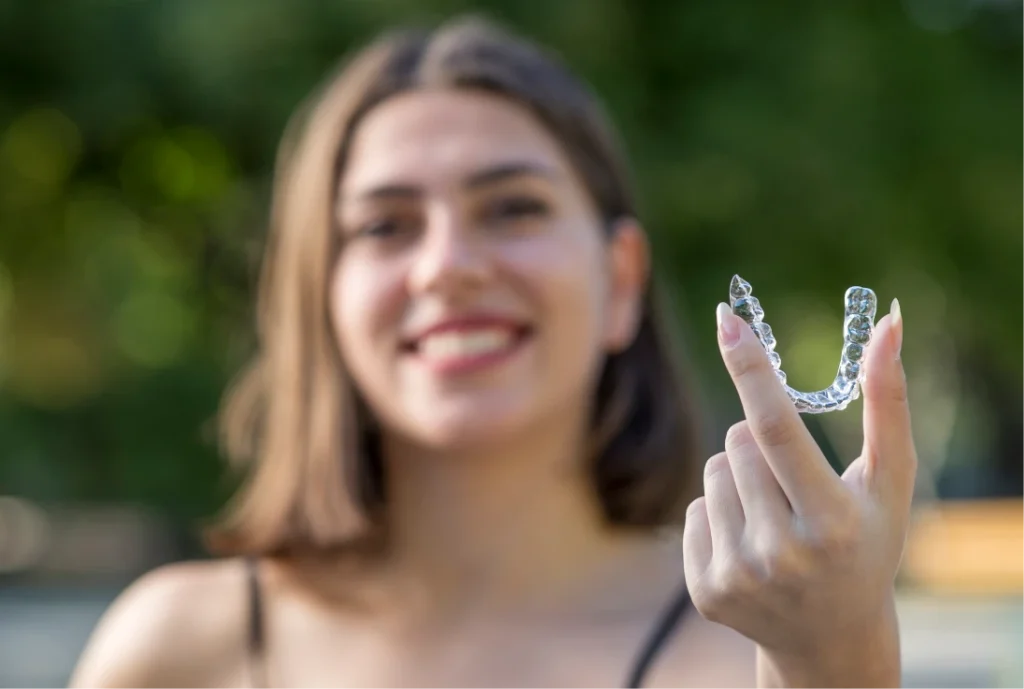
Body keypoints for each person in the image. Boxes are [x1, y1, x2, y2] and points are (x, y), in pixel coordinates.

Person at [69, 15, 917, 689]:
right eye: (385, 225)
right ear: (319, 298)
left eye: (512, 208)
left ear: (620, 280)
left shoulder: (752, 652)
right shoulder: (175, 653)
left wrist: (835, 663)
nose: (449, 267)